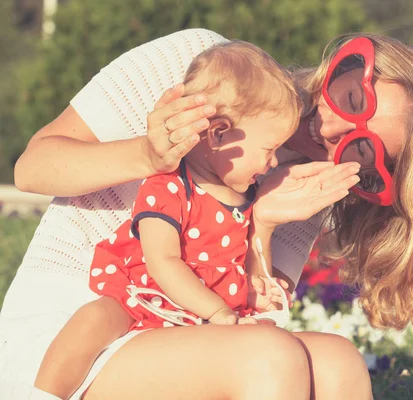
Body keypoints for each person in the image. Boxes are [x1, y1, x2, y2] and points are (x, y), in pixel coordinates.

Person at [1, 27, 413, 400]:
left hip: (187, 335)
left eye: (362, 148)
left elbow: (244, 315)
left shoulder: (306, 190)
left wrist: (263, 224)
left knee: (339, 363)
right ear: (346, 64)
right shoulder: (196, 68)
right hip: (77, 328)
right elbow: (33, 168)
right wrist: (149, 156)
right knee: (269, 357)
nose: (333, 127)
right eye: (353, 98)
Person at [33, 40, 321, 400]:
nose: (274, 161)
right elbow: (162, 261)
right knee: (93, 320)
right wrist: (216, 311)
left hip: (197, 322)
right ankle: (40, 395)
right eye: (268, 150)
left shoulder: (247, 198)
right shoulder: (170, 186)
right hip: (143, 300)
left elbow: (242, 267)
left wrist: (254, 283)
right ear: (217, 134)